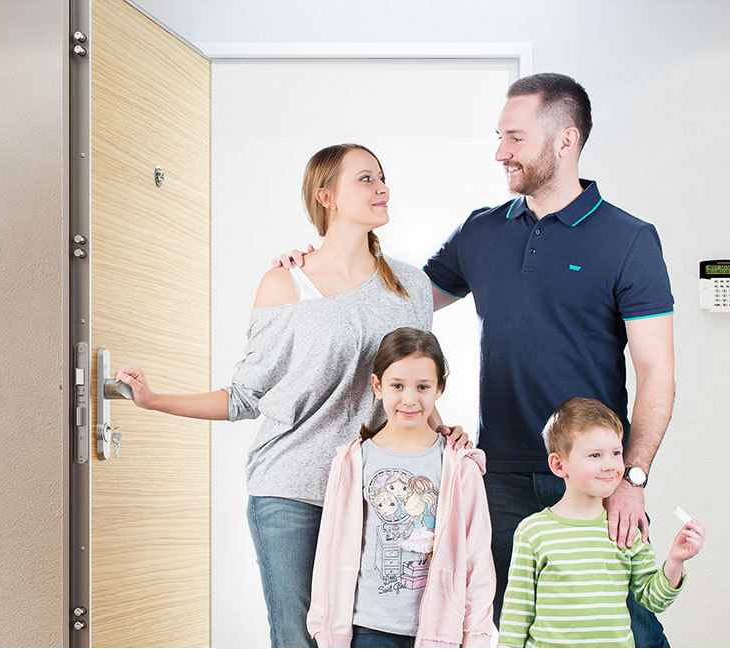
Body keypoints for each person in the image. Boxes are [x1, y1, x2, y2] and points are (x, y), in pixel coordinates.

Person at [283, 72, 680, 646]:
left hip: (595, 473)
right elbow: (400, 299)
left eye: (514, 138)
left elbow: (657, 374)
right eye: (500, 137)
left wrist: (631, 478)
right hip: (502, 477)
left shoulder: (629, 239)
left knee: (627, 628)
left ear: (565, 140)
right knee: (514, 629)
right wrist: (317, 264)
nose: (500, 152)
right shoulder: (482, 231)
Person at [115, 143, 438, 647]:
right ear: (325, 195)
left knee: (377, 637)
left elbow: (415, 385)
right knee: (297, 638)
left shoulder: (411, 286)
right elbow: (246, 396)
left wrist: (443, 436)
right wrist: (155, 400)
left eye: (382, 178)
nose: (382, 188)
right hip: (292, 490)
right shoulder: (285, 284)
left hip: (377, 488)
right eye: (366, 179)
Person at [307, 328, 496, 648]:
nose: (410, 399)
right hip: (368, 629)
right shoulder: (353, 460)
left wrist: (476, 635)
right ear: (377, 386)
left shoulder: (461, 466)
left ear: (439, 389)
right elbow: (330, 549)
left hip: (440, 633)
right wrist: (327, 628)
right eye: (397, 385)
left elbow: (477, 558)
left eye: (423, 386)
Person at [496, 398, 705, 648]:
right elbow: (517, 614)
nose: (609, 466)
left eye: (616, 453)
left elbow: (654, 600)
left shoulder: (625, 529)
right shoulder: (532, 532)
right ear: (559, 465)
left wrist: (675, 560)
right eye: (595, 455)